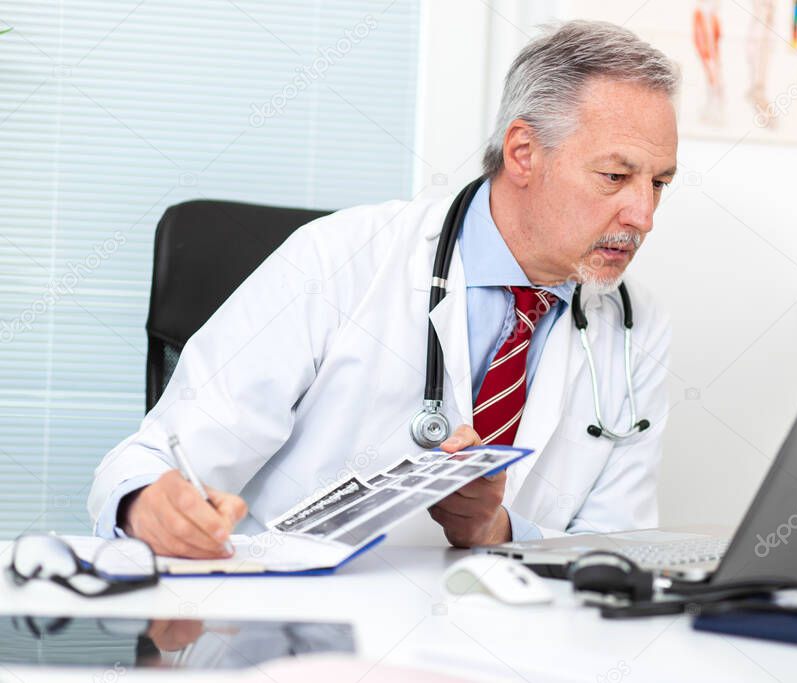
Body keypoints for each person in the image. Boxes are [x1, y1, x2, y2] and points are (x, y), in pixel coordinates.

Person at [87, 20, 679, 558]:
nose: (644, 215)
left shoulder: (635, 327)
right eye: (616, 177)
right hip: (295, 642)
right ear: (524, 152)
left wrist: (495, 530)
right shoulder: (342, 258)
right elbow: (153, 462)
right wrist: (150, 506)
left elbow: (615, 555)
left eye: (659, 182)